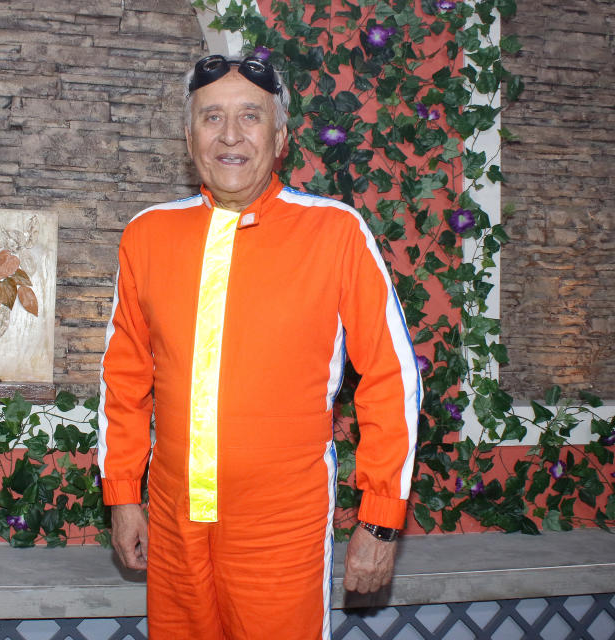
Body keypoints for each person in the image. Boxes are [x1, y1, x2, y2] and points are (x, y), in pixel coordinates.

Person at [97, 54, 421, 639]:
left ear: (280, 137)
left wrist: (378, 522)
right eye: (211, 117)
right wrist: (123, 495)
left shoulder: (336, 232)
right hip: (175, 524)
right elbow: (124, 378)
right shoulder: (146, 235)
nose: (230, 136)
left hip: (283, 528)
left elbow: (392, 377)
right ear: (187, 135)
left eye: (251, 117)